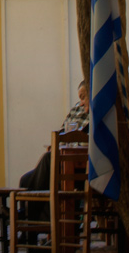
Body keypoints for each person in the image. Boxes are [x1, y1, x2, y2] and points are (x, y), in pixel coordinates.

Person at [18, 80, 89, 222]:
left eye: (83, 97)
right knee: (25, 180)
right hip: (62, 162)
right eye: (79, 98)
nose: (80, 102)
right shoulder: (77, 109)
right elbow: (62, 131)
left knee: (48, 159)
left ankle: (27, 219)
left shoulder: (98, 115)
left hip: (80, 167)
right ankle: (30, 228)